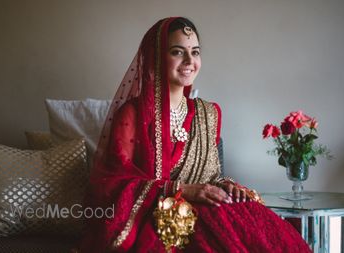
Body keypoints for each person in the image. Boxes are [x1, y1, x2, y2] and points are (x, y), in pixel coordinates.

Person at [72, 17, 311, 253]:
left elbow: (212, 175)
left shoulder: (209, 113)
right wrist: (181, 190)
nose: (189, 61)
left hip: (210, 208)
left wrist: (227, 186)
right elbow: (112, 185)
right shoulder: (133, 114)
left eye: (195, 52)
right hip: (160, 217)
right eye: (177, 52)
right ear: (155, 58)